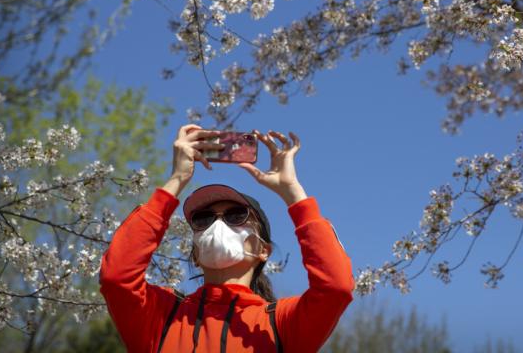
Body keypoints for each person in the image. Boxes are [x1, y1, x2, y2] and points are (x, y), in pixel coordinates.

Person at [99, 125, 354, 353]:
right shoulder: (163, 316)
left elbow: (335, 287)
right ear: (196, 254)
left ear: (263, 250)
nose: (218, 224)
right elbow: (117, 277)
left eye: (235, 215)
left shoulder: (280, 325)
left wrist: (292, 192)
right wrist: (176, 180)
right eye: (203, 219)